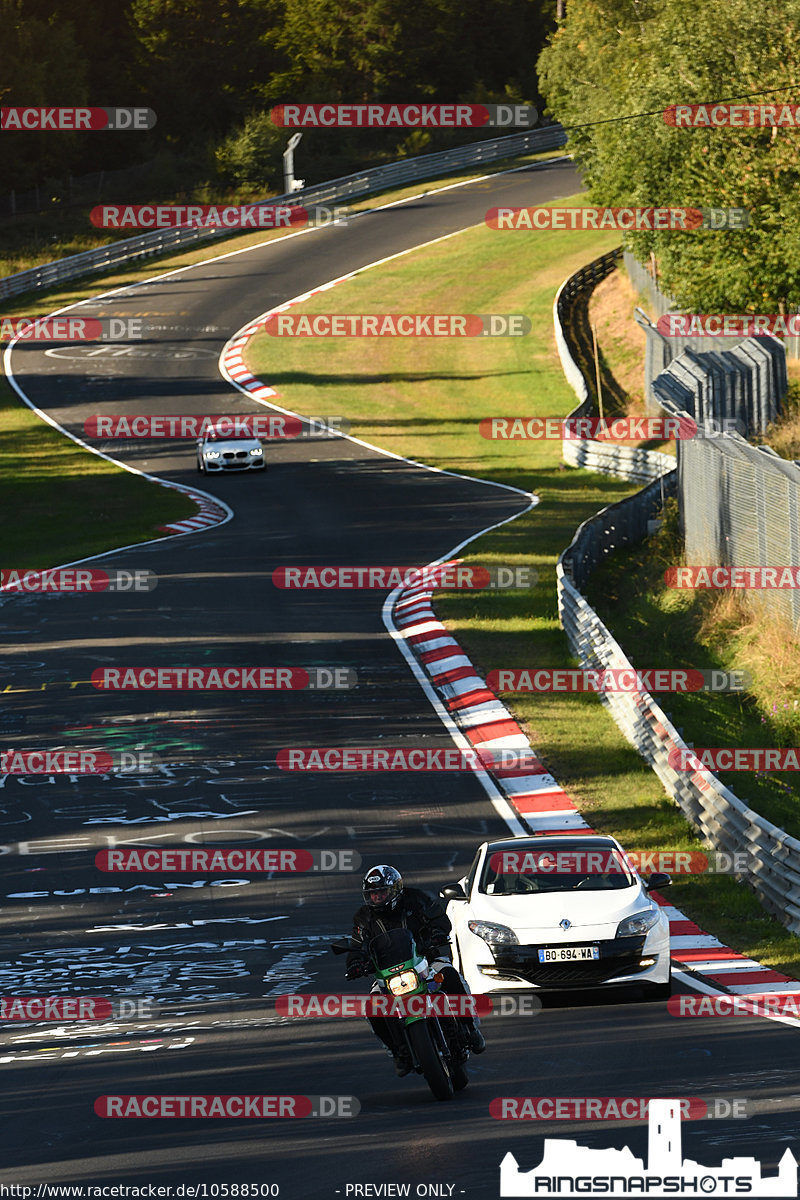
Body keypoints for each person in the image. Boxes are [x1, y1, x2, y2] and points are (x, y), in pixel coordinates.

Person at [344, 864, 486, 1076]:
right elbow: (357, 946)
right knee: (373, 1006)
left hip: (424, 961)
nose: (377, 898)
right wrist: (355, 963)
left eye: (381, 892)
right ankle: (398, 1051)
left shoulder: (416, 899)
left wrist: (437, 932)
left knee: (449, 976)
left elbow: (439, 918)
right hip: (387, 974)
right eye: (373, 894)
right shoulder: (363, 917)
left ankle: (471, 1028)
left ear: (395, 889)